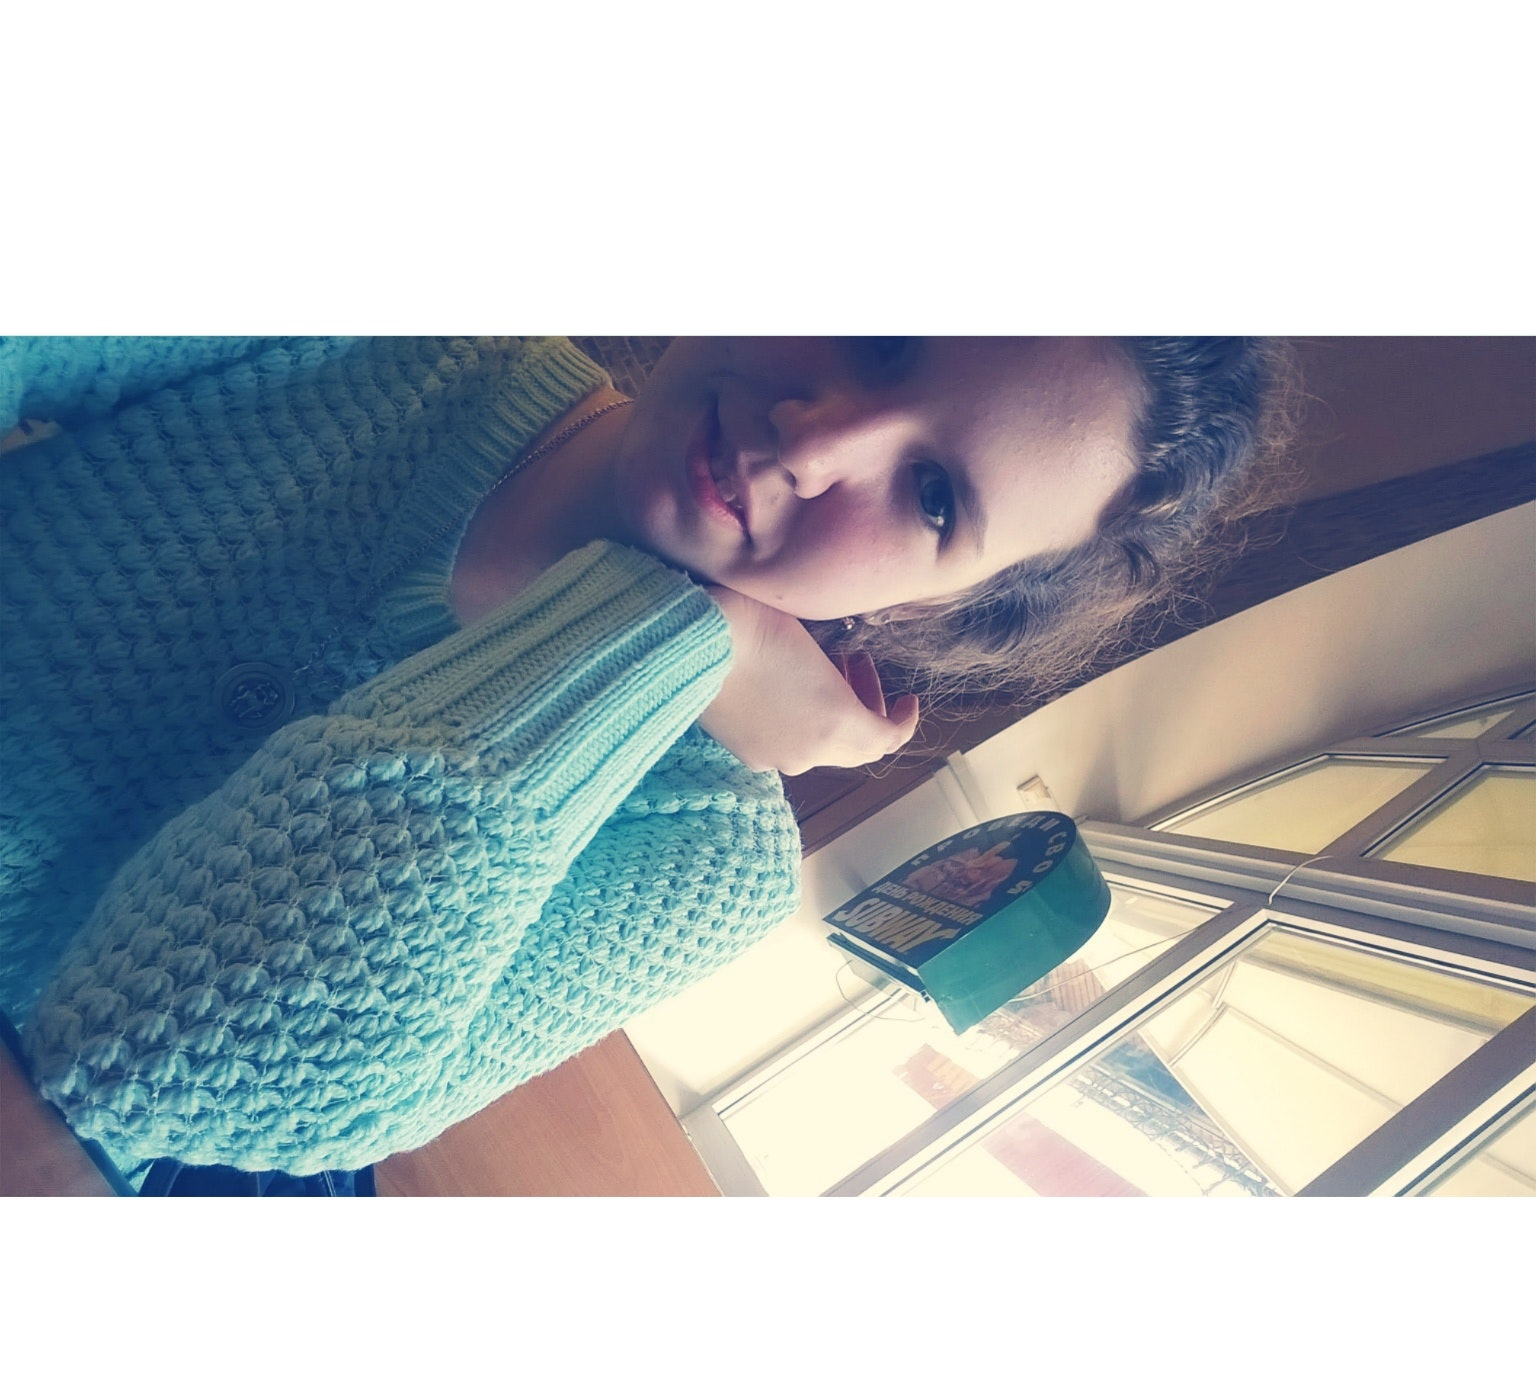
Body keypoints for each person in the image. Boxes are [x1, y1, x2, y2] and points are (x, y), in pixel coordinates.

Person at [0, 336, 1292, 1189]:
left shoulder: (707, 861)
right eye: (882, 329)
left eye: (934, 498)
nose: (816, 442)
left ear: (925, 604)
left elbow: (156, 1068)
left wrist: (668, 634)